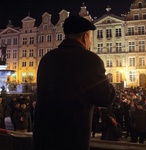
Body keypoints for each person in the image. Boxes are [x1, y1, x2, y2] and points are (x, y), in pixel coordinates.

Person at [32, 15, 115, 150]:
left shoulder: (47, 59)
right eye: (89, 38)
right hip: (73, 139)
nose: (90, 43)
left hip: (44, 139)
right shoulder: (91, 60)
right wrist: (107, 80)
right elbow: (105, 98)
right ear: (84, 37)